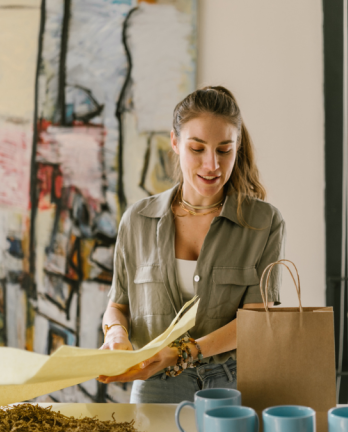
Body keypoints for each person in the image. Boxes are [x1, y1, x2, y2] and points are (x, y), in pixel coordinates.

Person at [96, 86, 285, 403]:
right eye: (197, 149)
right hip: (155, 382)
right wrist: (116, 334)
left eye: (224, 150)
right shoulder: (137, 220)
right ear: (175, 142)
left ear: (237, 147)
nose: (212, 165)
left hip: (236, 382)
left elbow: (256, 322)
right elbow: (118, 305)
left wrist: (182, 352)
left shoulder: (264, 223)